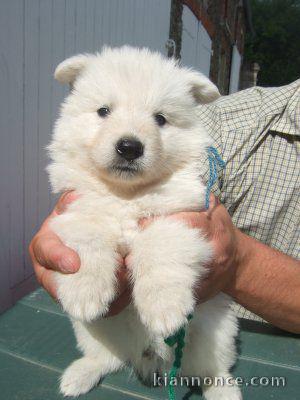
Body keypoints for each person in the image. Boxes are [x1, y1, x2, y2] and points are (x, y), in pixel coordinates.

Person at [29, 80, 300, 334]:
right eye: (104, 111)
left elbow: (182, 219)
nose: (129, 138)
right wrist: (68, 231)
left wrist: (237, 260)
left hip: (231, 333)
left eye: (158, 120)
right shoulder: (229, 121)